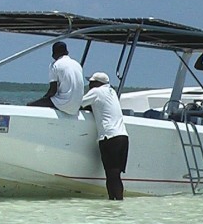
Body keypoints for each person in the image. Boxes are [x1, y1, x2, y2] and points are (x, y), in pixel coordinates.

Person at [81, 72, 130, 200]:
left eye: (91, 82)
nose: (89, 85)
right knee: (116, 174)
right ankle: (117, 202)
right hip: (123, 137)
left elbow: (78, 104)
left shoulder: (96, 92)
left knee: (111, 174)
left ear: (98, 83)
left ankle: (114, 201)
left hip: (109, 137)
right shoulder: (112, 92)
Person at [28, 41, 84, 115]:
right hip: (76, 106)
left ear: (54, 53)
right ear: (66, 52)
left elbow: (53, 91)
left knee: (30, 105)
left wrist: (44, 99)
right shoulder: (77, 64)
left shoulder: (55, 65)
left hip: (64, 104)